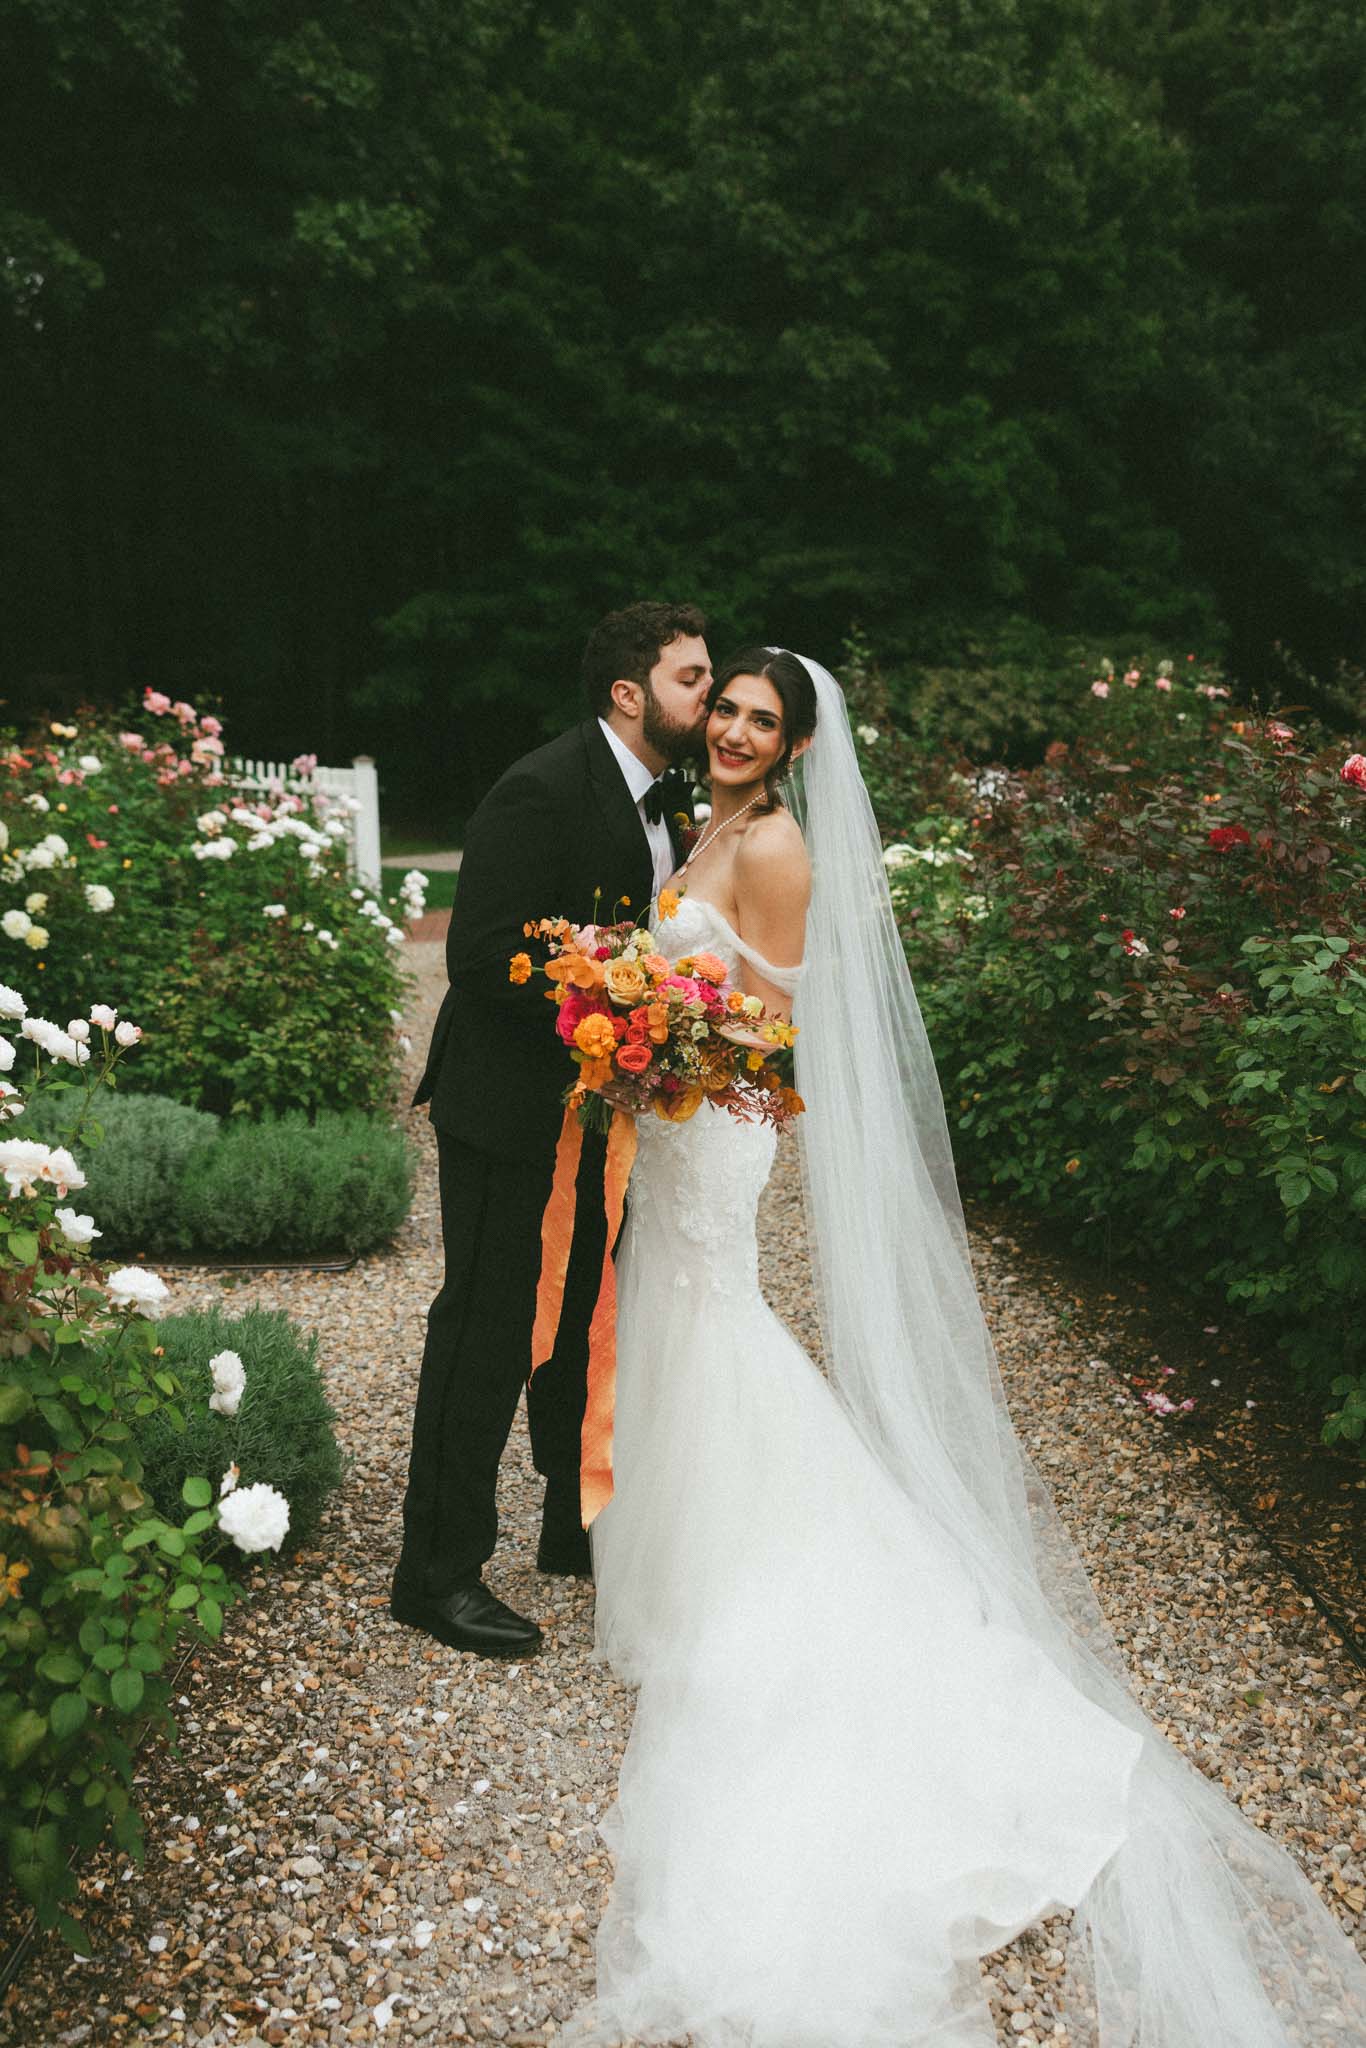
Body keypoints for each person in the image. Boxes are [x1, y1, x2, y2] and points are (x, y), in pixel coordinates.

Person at [569, 649, 1366, 2046]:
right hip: (677, 1116)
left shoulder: (778, 851)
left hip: (716, 1130)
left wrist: (671, 1041)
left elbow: (779, 1023)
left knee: (713, 1324)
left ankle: (741, 1585)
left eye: (766, 720)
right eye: (732, 711)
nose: (741, 732)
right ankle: (679, 1556)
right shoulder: (703, 826)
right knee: (682, 1331)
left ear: (798, 745)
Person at [390, 602, 711, 1658]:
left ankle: (570, 1527)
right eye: (691, 678)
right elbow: (481, 958)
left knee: (583, 1322)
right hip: (507, 1112)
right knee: (486, 1331)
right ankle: (435, 1573)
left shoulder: (674, 800)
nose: (706, 698)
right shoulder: (539, 786)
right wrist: (618, 1014)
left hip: (599, 1115)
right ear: (630, 692)